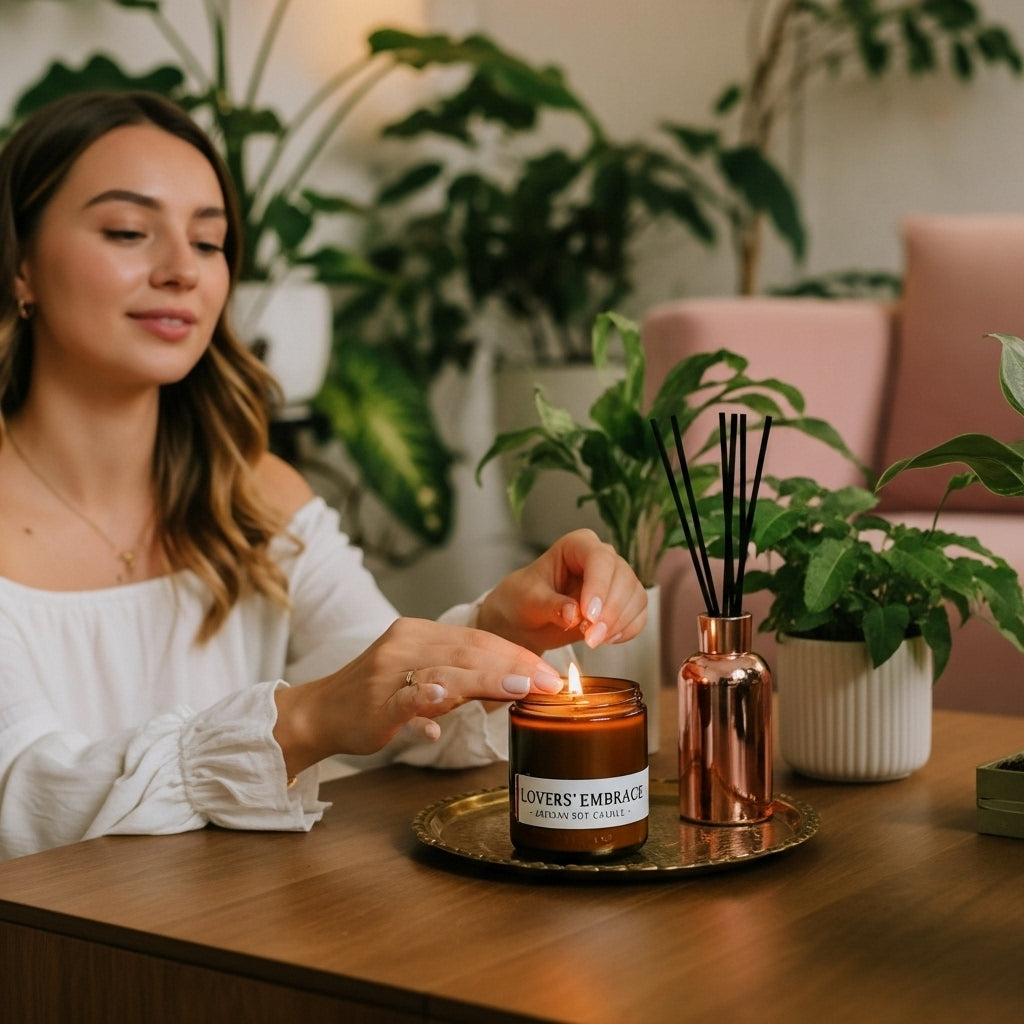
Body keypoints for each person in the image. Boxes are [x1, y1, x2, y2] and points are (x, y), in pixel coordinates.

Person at [0, 91, 647, 861]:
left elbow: (387, 704)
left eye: (209, 244)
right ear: (21, 267)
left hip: (239, 943)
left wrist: (499, 634)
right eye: (129, 231)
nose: (181, 270)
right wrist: (299, 721)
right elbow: (24, 795)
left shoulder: (257, 493)